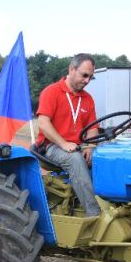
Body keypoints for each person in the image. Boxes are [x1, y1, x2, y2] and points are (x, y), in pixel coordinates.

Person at [35, 53, 101, 216]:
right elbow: (43, 123)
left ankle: (114, 203)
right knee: (75, 159)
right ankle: (94, 214)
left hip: (78, 146)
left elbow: (92, 127)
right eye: (84, 75)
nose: (87, 81)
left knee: (106, 155)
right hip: (52, 146)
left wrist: (90, 146)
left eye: (90, 77)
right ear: (72, 69)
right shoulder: (51, 92)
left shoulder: (87, 99)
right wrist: (63, 143)